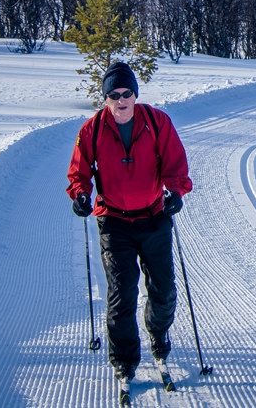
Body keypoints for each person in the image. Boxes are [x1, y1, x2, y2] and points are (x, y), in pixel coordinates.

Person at [66, 61, 193, 387]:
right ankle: (123, 360)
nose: (121, 100)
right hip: (114, 221)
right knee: (121, 295)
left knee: (163, 290)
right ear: (106, 98)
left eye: (127, 93)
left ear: (135, 94)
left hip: (153, 216)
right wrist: (80, 195)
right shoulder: (91, 129)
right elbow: (78, 173)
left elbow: (175, 162)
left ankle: (158, 336)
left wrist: (175, 192)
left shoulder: (157, 121)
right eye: (114, 94)